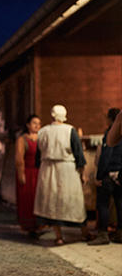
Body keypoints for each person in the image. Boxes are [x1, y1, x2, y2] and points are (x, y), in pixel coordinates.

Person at [34, 104, 87, 245]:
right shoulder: (70, 130)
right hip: (67, 170)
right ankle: (84, 233)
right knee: (73, 202)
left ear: (52, 115)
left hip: (48, 170)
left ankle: (59, 236)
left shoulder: (43, 131)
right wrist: (83, 173)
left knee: (52, 204)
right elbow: (79, 155)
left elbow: (38, 156)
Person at [89, 108, 122, 245]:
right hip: (120, 174)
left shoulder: (111, 133)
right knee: (120, 204)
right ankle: (120, 233)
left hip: (109, 174)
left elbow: (105, 156)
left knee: (103, 204)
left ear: (110, 119)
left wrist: (99, 176)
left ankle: (103, 234)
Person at [14, 114, 43, 236]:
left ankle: (39, 226)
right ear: (28, 125)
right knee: (28, 199)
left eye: (39, 123)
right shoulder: (22, 139)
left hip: (39, 172)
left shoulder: (42, 138)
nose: (37, 126)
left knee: (39, 199)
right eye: (34, 123)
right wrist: (21, 174)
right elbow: (19, 159)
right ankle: (30, 227)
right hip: (27, 172)